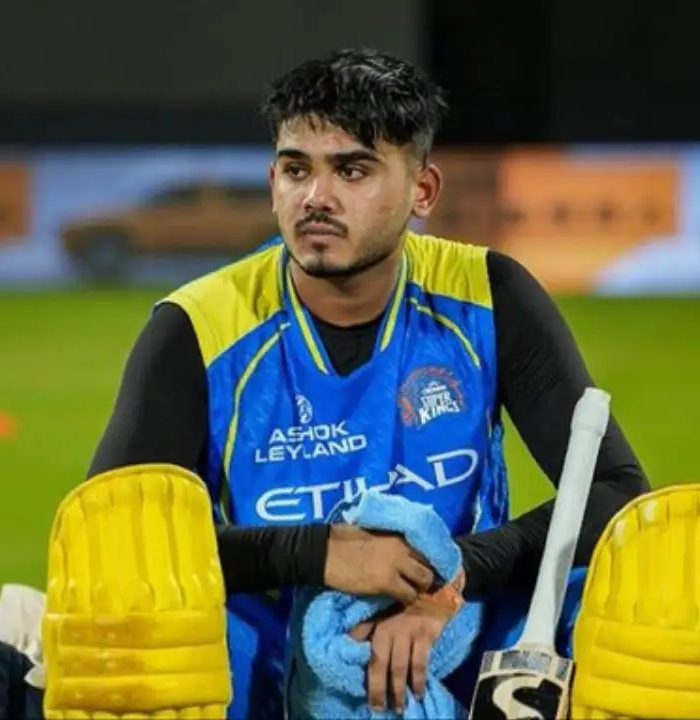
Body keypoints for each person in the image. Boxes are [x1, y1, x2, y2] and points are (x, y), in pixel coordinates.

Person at [60, 48, 647, 718]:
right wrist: (316, 553)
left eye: (353, 170)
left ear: (423, 191)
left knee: (654, 608)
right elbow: (115, 540)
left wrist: (452, 574)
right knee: (130, 632)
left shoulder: (488, 295)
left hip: (460, 634)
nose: (316, 197)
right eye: (296, 169)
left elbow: (617, 491)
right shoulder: (197, 327)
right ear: (273, 182)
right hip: (263, 669)